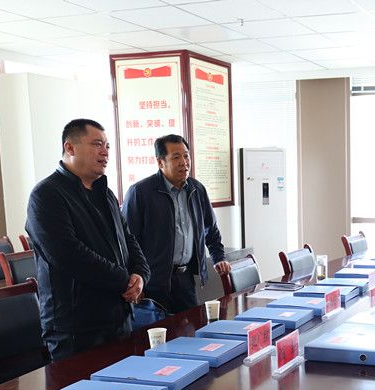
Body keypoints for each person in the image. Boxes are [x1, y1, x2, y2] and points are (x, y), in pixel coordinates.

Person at [26, 118, 150, 361]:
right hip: (76, 328)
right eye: (97, 144)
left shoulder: (106, 193)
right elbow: (69, 255)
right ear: (70, 148)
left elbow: (128, 239)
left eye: (107, 146)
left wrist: (140, 274)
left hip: (119, 318)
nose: (105, 152)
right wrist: (124, 280)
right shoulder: (46, 194)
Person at [122, 134, 228, 314]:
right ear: (160, 162)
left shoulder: (196, 189)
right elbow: (127, 242)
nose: (184, 162)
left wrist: (218, 257)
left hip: (185, 279)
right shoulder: (140, 192)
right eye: (176, 157)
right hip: (153, 282)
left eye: (186, 156)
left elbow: (210, 230)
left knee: (192, 327)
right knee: (157, 330)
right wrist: (135, 279)